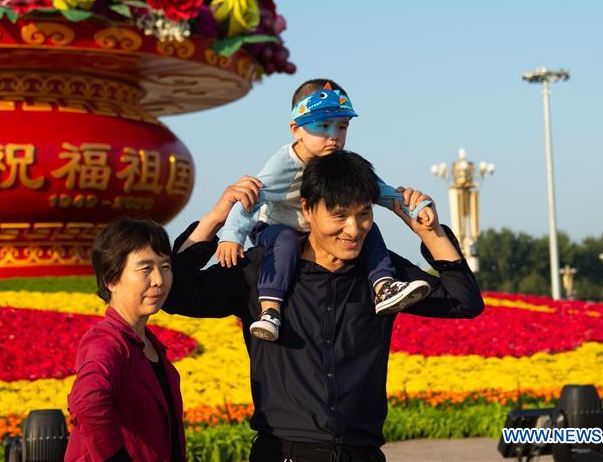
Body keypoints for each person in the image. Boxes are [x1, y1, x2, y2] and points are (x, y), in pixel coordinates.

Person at [164, 151, 485, 461]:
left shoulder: (382, 275)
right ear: (307, 208)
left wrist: (430, 233)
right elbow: (177, 294)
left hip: (363, 454)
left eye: (363, 214)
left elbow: (463, 302)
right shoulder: (261, 270)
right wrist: (218, 218)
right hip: (283, 453)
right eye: (339, 215)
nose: (353, 229)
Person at [215, 79, 433, 341]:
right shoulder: (282, 165)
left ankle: (383, 285)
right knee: (285, 240)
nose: (334, 136)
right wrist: (231, 235)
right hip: (276, 227)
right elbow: (250, 197)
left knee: (369, 228)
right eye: (323, 126)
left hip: (319, 233)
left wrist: (415, 206)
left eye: (342, 127)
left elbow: (378, 191)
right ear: (296, 130)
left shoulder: (341, 163)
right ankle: (270, 311)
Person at [66, 219, 186, 461]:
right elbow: (87, 401)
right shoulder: (106, 342)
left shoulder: (149, 345)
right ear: (112, 279)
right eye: (145, 269)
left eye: (165, 267)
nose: (159, 281)